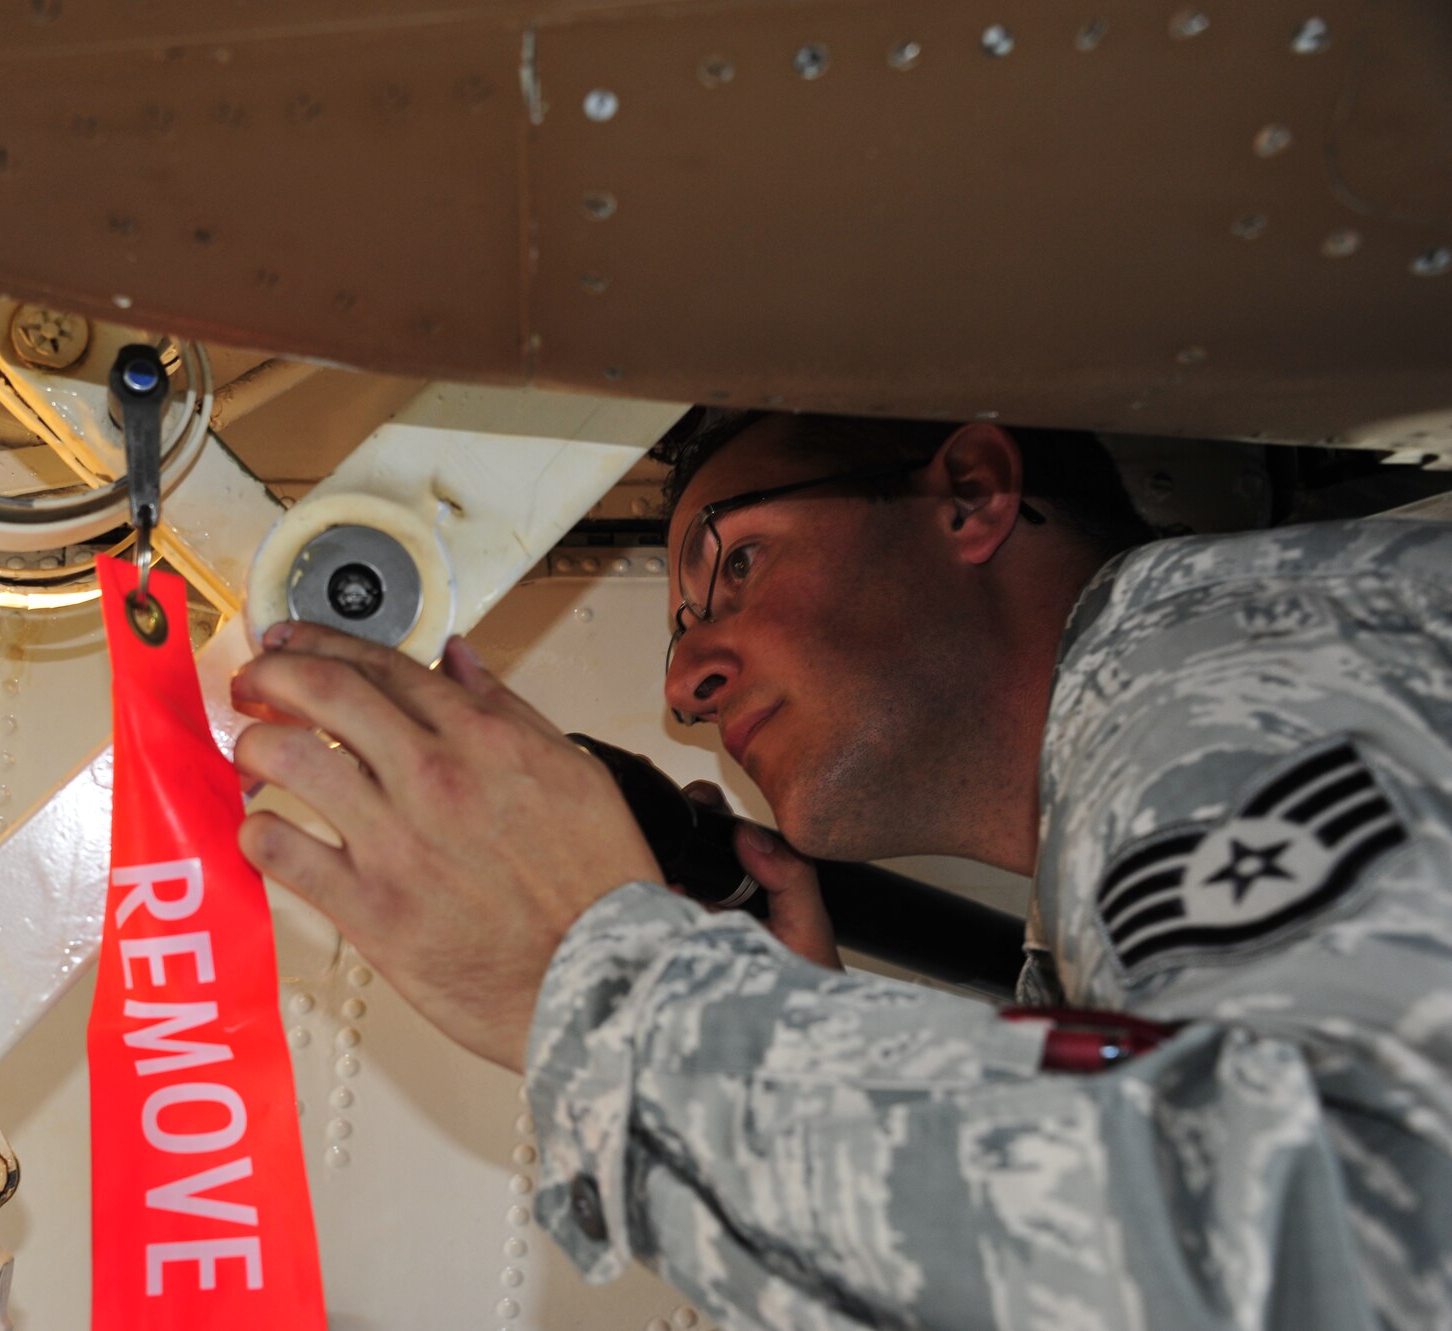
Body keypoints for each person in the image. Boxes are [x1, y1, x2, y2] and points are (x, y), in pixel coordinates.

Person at [228, 410, 1452, 1330]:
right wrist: (810, 1025)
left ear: (970, 495)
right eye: (677, 623)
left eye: (737, 566)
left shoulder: (1209, 676)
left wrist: (616, 996)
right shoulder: (1135, 810)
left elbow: (1362, 1234)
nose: (681, 685)